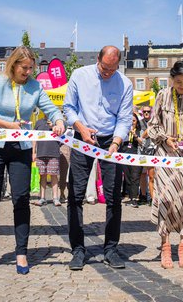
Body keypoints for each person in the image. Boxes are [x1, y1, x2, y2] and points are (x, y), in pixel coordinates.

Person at [0, 46, 65, 274]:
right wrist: (8, 125)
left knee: (21, 199)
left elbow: (51, 109)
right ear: (13, 65)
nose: (27, 72)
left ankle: (21, 253)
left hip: (21, 147)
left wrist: (58, 120)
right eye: (24, 67)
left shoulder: (35, 87)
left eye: (31, 68)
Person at [63, 45, 133, 271]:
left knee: (113, 197)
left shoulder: (125, 83)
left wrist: (116, 143)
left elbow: (124, 119)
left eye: (112, 70)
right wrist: (81, 128)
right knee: (76, 195)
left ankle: (111, 249)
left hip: (111, 141)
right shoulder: (79, 75)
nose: (107, 73)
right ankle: (78, 250)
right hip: (82, 136)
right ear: (97, 60)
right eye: (104, 68)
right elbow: (68, 108)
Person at [146, 61, 183, 269]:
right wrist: (164, 138)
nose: (182, 86)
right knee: (166, 199)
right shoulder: (162, 96)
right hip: (165, 155)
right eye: (178, 82)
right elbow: (153, 124)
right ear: (172, 79)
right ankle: (165, 247)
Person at [32, 118, 62, 206]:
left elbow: (62, 135)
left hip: (53, 153)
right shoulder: (38, 122)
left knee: (54, 175)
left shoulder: (58, 123)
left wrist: (53, 126)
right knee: (42, 175)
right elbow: (34, 137)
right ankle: (42, 198)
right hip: (41, 153)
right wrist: (33, 152)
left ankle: (55, 198)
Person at [121, 112, 143, 208]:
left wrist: (135, 135)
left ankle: (134, 199)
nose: (132, 123)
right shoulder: (124, 130)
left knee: (135, 177)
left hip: (137, 156)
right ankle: (130, 197)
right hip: (126, 156)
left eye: (133, 121)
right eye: (130, 121)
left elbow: (143, 142)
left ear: (137, 121)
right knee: (128, 177)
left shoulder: (140, 130)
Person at [138, 106, 155, 205]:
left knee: (152, 175)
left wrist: (142, 136)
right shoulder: (139, 122)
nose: (146, 113)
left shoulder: (154, 122)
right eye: (144, 111)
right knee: (143, 174)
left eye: (148, 111)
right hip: (142, 150)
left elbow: (149, 132)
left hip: (152, 150)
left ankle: (153, 198)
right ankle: (143, 195)